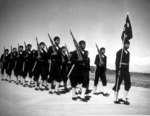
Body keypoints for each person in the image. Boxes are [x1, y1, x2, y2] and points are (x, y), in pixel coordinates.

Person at [112, 40, 131, 105]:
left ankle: (123, 98)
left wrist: (128, 71)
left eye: (129, 44)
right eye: (127, 44)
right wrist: (118, 70)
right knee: (117, 84)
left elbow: (128, 63)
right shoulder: (119, 52)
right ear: (124, 44)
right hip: (120, 70)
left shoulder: (128, 53)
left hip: (126, 71)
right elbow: (117, 62)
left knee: (128, 84)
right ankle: (115, 98)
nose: (128, 45)